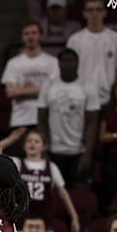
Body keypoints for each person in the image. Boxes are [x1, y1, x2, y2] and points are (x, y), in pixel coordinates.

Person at [37, 48, 100, 188]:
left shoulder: (88, 85)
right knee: (54, 191)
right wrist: (43, 149)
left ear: (77, 63)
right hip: (54, 150)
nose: (68, 64)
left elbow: (92, 122)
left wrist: (88, 153)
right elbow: (41, 120)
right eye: (64, 60)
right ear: (58, 63)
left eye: (72, 60)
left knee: (80, 191)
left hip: (79, 150)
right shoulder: (49, 84)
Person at [0, 20, 59, 155]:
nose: (30, 37)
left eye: (34, 33)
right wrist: (41, 89)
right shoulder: (13, 63)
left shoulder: (52, 62)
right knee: (20, 162)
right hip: (21, 120)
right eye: (26, 34)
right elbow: (11, 92)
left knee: (43, 160)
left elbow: (54, 92)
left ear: (40, 36)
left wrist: (23, 89)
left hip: (46, 119)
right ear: (22, 37)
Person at [9, 129, 81, 232]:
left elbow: (64, 194)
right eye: (29, 141)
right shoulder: (17, 164)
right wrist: (11, 139)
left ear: (43, 147)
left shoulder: (51, 167)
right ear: (24, 146)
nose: (32, 143)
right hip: (21, 218)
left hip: (44, 218)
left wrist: (74, 217)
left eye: (36, 141)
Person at [67, 0, 117, 105]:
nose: (94, 13)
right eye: (90, 10)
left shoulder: (116, 38)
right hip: (82, 98)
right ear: (84, 13)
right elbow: (69, 71)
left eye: (98, 9)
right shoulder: (74, 40)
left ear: (104, 13)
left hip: (109, 99)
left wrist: (113, 91)